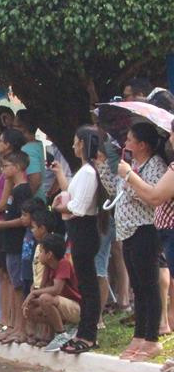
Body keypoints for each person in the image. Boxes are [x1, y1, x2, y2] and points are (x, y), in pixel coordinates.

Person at [99, 122, 168, 360]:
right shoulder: (133, 165)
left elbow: (152, 196)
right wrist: (105, 166)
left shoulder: (154, 165)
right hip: (127, 230)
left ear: (142, 145)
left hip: (145, 229)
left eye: (130, 140)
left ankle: (152, 338)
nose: (126, 144)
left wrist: (129, 177)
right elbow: (115, 191)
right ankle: (139, 335)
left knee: (149, 285)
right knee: (137, 285)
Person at [52, 125, 105, 354]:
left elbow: (79, 207)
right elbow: (74, 197)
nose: (73, 145)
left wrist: (59, 207)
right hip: (78, 230)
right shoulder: (83, 171)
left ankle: (88, 334)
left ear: (82, 143)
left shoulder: (89, 172)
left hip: (83, 230)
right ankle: (84, 331)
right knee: (85, 284)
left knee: (88, 286)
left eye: (75, 141)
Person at [0, 152, 33, 344]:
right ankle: (14, 326)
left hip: (17, 243)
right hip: (9, 242)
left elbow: (25, 219)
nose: (3, 170)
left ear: (17, 167)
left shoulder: (22, 191)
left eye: (6, 166)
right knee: (14, 284)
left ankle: (20, 328)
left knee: (18, 287)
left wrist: (2, 225)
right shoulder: (14, 189)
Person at [25, 233, 81, 352]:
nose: (38, 255)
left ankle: (62, 335)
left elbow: (56, 289)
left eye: (41, 252)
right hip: (60, 304)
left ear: (49, 254)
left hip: (77, 307)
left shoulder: (63, 263)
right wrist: (31, 299)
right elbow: (41, 287)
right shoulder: (48, 266)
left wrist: (34, 294)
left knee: (45, 299)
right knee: (30, 310)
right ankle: (66, 327)